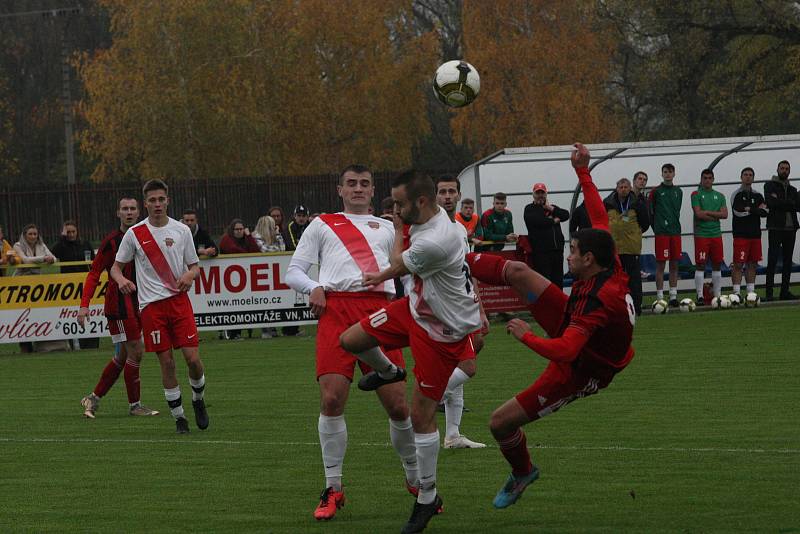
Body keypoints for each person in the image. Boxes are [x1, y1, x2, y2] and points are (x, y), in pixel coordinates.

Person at [464, 143, 634, 509]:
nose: (568, 255)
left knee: (499, 423)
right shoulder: (608, 260)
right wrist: (583, 172)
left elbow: (566, 350)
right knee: (521, 272)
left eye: (572, 251)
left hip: (582, 367)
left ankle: (523, 471)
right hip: (575, 328)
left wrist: (528, 337)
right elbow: (599, 219)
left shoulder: (597, 303)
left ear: (587, 260)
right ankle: (454, 260)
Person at [339, 170, 482, 533]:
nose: (396, 209)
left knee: (420, 417)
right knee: (351, 340)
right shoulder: (435, 217)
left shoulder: (436, 239)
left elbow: (398, 261)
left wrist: (396, 234)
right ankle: (389, 370)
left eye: (400, 204)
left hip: (440, 332)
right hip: (416, 310)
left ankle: (427, 496)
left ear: (420, 202)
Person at [285, 164, 419, 521]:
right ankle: (333, 488)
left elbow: (411, 267)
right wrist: (312, 286)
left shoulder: (391, 227)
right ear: (340, 190)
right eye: (351, 184)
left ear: (373, 191)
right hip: (336, 309)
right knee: (331, 400)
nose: (358, 189)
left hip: (380, 312)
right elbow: (293, 270)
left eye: (364, 184)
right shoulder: (322, 224)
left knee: (398, 406)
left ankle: (415, 477)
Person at [110, 179, 209, 434]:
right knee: (167, 363)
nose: (157, 204)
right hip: (152, 308)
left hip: (179, 303)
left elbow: (195, 266)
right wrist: (121, 280)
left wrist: (190, 275)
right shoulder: (135, 234)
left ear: (168, 201)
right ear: (146, 204)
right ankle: (180, 419)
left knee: (193, 360)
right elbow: (115, 267)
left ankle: (198, 399)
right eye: (152, 200)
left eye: (160, 199)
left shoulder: (181, 231)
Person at [78, 197, 159, 418]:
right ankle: (135, 406)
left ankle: (93, 399)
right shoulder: (111, 241)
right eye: (125, 209)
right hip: (119, 305)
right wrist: (84, 306)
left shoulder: (146, 236)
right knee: (137, 350)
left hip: (140, 301)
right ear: (118, 213)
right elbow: (94, 274)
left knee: (124, 357)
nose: (129, 212)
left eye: (133, 208)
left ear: (139, 211)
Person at [434, 176, 489, 449]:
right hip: (442, 308)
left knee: (464, 359)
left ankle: (453, 434)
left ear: (458, 195)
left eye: (451, 191)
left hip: (463, 304)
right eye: (442, 191)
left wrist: (480, 307)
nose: (447, 196)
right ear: (435, 196)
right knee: (467, 366)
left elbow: (468, 269)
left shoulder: (458, 229)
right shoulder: (428, 228)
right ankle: (430, 397)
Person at [604, 178, 650, 314]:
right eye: (621, 187)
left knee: (634, 279)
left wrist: (635, 233)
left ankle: (636, 307)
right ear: (616, 188)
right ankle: (615, 307)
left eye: (626, 187)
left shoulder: (637, 203)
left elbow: (645, 223)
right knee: (614, 279)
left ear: (630, 188)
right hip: (614, 248)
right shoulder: (607, 203)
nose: (623, 189)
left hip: (631, 248)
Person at [691, 169, 728, 305]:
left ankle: (717, 295)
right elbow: (699, 214)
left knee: (717, 264)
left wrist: (707, 212)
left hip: (716, 234)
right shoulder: (696, 194)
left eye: (709, 178)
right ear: (701, 179)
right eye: (705, 178)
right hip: (702, 235)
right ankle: (700, 295)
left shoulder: (720, 195)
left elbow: (725, 215)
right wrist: (715, 214)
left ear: (713, 179)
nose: (707, 180)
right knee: (700, 264)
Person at [764, 160, 799, 301]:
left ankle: (784, 291)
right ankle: (769, 293)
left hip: (791, 229)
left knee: (787, 261)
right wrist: (788, 203)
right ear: (777, 169)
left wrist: (781, 202)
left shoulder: (792, 189)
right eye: (782, 168)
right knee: (772, 260)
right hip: (776, 227)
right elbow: (771, 203)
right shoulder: (769, 185)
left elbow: (795, 205)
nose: (784, 170)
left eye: (787, 168)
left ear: (789, 171)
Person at [524, 183, 570, 288]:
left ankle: (559, 304)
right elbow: (538, 221)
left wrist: (550, 208)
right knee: (544, 283)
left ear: (546, 194)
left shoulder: (552, 208)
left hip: (557, 250)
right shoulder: (529, 208)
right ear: (533, 194)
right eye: (538, 193)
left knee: (558, 282)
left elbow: (565, 215)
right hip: (541, 252)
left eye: (542, 193)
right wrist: (554, 221)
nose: (540, 195)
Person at [649, 163, 682, 307]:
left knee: (674, 264)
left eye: (670, 172)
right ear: (661, 174)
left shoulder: (678, 191)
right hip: (662, 233)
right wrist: (657, 227)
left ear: (674, 174)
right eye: (665, 172)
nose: (668, 174)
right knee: (661, 265)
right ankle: (660, 296)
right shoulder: (655, 191)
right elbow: (650, 211)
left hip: (675, 232)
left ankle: (673, 296)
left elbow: (677, 210)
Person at [730, 167, 767, 297]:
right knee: (738, 264)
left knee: (752, 264)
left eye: (750, 175)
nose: (748, 177)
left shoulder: (758, 195)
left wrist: (750, 209)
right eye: (745, 174)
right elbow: (737, 212)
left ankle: (750, 293)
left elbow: (765, 212)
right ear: (741, 177)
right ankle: (736, 293)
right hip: (741, 235)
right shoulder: (736, 194)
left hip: (755, 235)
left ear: (753, 178)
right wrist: (754, 210)